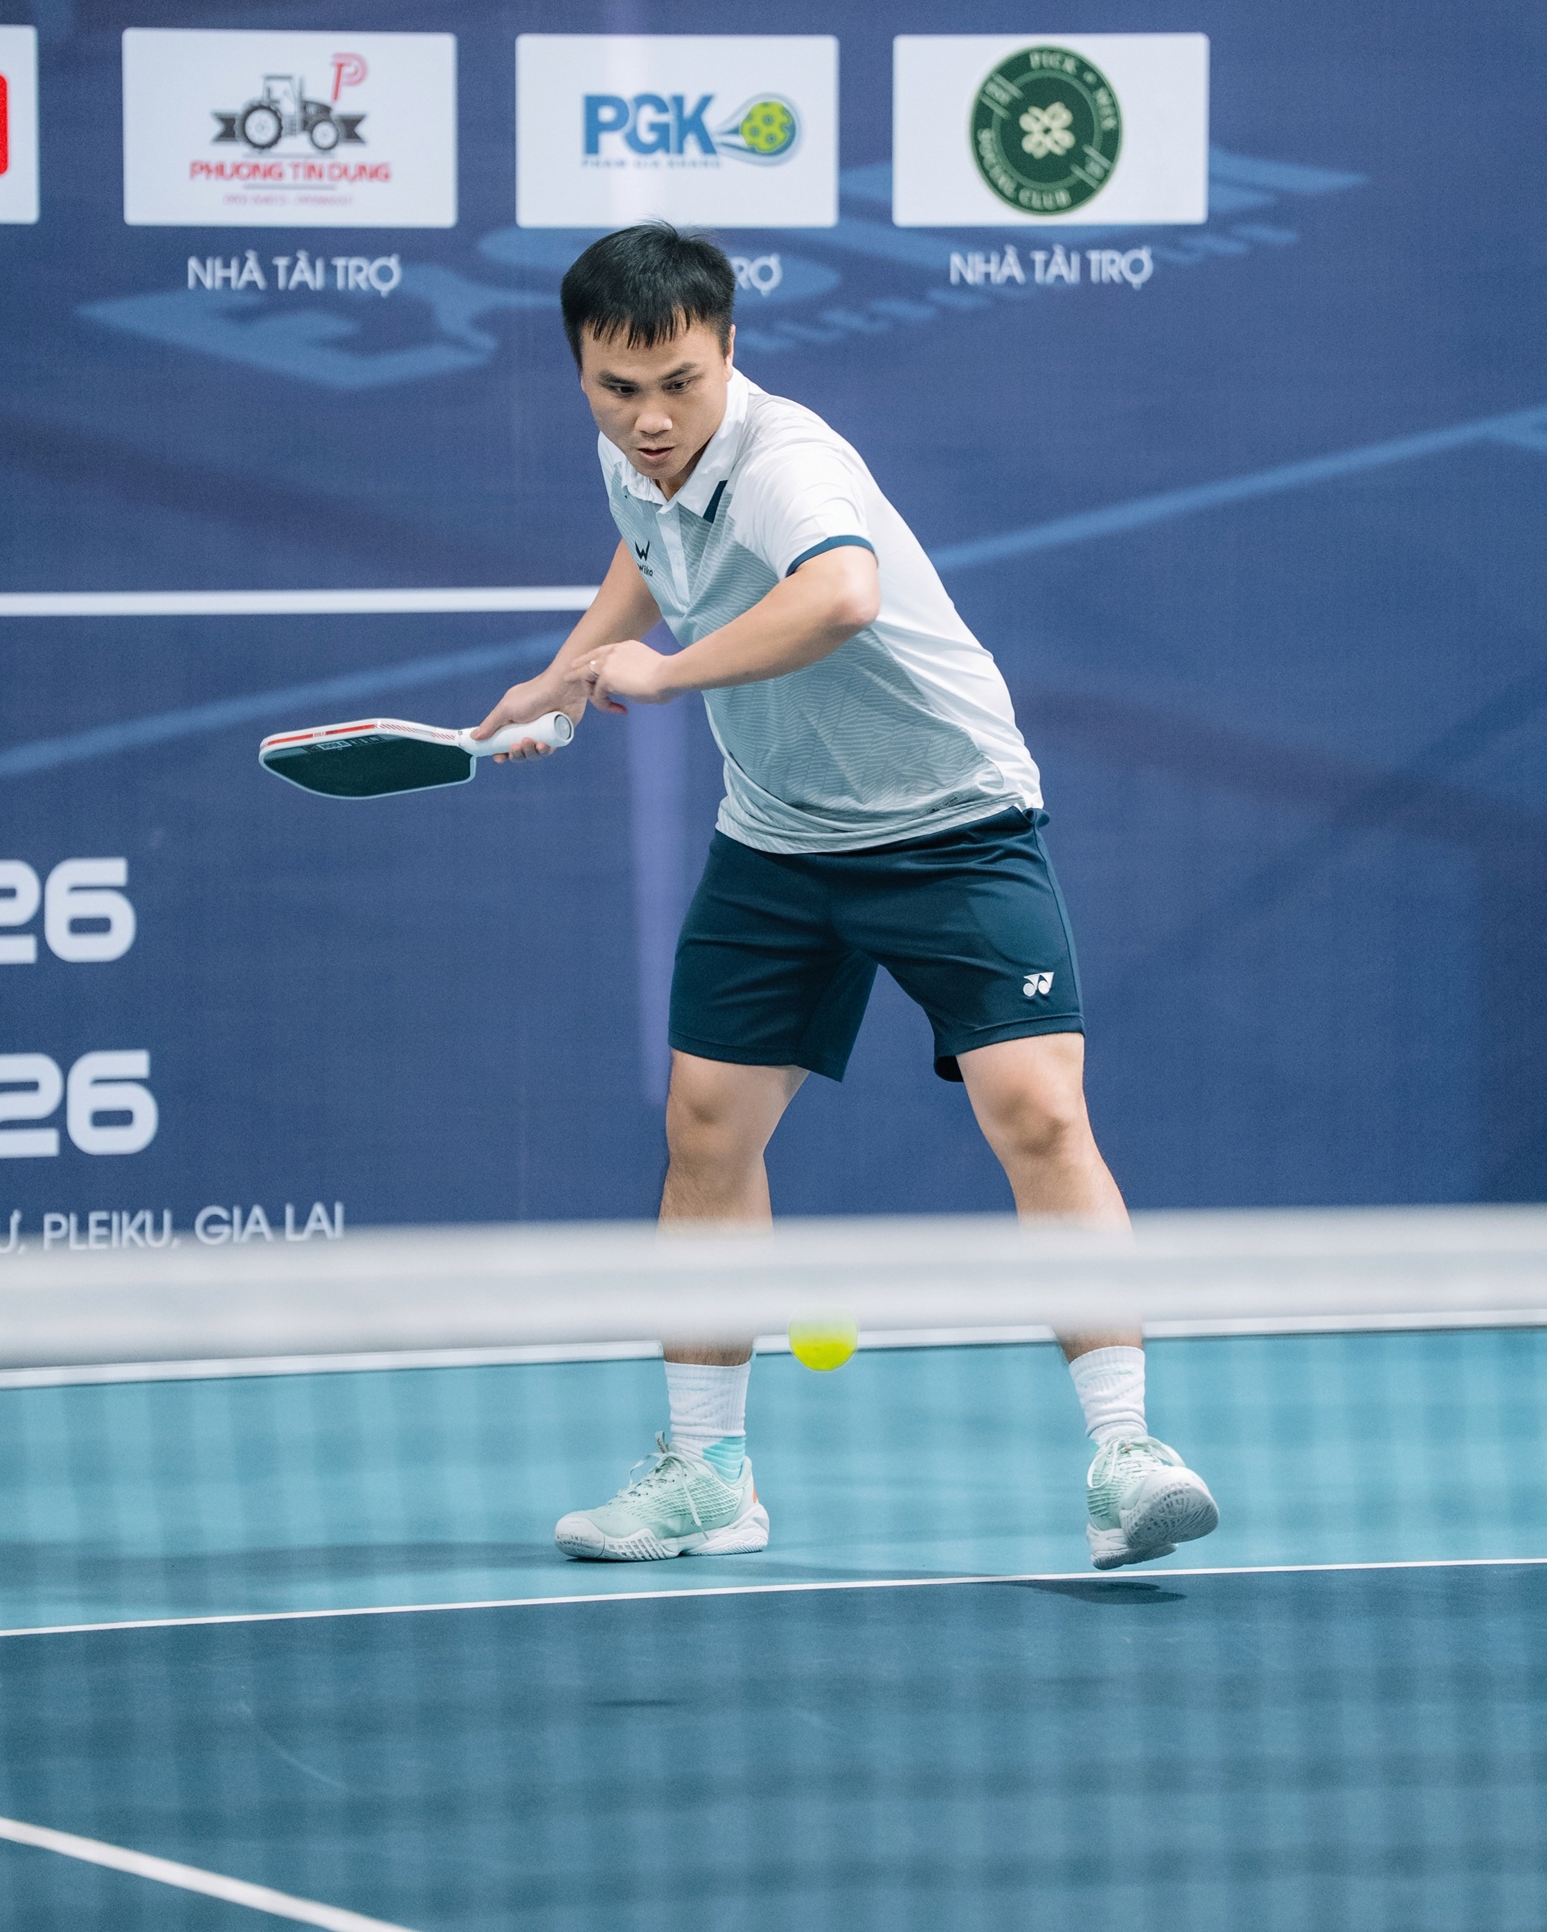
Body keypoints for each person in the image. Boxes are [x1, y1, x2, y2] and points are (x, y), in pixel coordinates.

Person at [474, 222, 1218, 1572]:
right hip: (779, 836)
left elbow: (842, 595)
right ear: (581, 370)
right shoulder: (634, 455)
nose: (650, 418)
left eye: (680, 384)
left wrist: (663, 676)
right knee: (706, 1129)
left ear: (729, 352)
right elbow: (650, 548)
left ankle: (1127, 1455)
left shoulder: (787, 460)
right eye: (617, 388)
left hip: (951, 823)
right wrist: (569, 674)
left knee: (1038, 1111)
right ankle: (708, 1477)